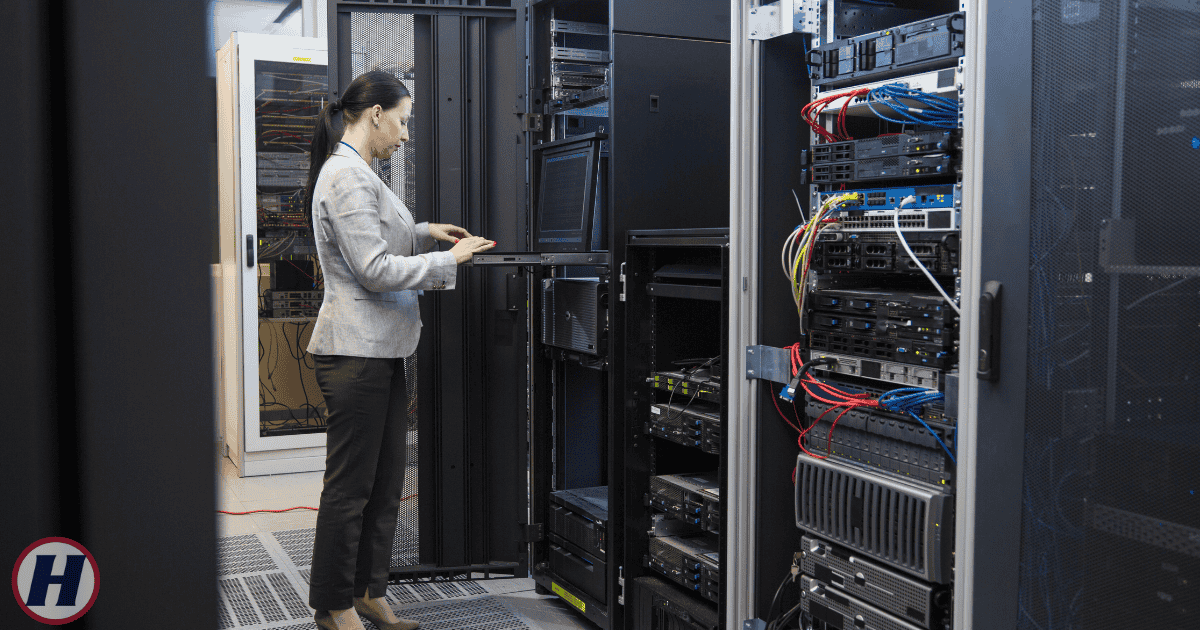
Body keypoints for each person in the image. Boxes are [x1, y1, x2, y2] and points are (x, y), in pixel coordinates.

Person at [301, 70, 496, 630]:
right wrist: (449, 263)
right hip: (353, 354)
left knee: (385, 483)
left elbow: (380, 237)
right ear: (376, 114)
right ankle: (334, 606)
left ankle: (368, 592)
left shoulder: (361, 173)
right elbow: (372, 268)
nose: (407, 134)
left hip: (378, 352)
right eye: (404, 121)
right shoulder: (345, 177)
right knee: (350, 489)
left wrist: (426, 230)